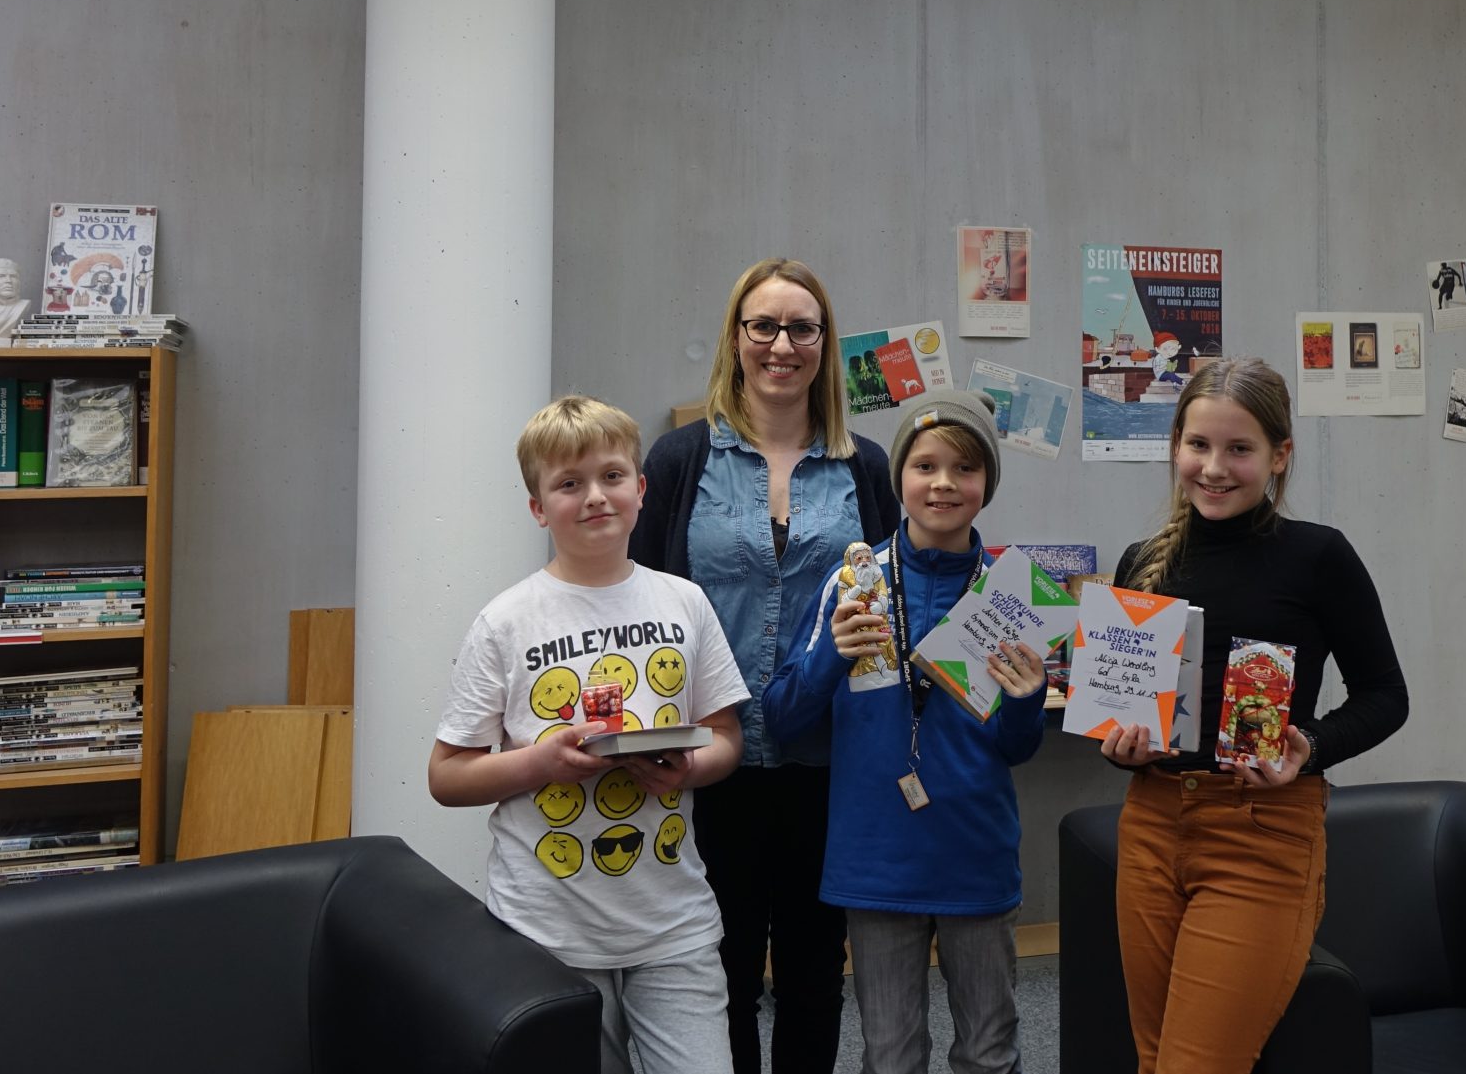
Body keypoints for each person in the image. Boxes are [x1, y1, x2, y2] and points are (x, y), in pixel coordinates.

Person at [1096, 358, 1410, 1073]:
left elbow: (1386, 696)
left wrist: (1311, 746)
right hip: (1150, 822)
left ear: (1280, 455)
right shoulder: (1141, 561)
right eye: (1198, 445)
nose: (1214, 468)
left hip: (1260, 833)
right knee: (1154, 1059)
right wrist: (1119, 746)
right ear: (1176, 446)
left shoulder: (1319, 555)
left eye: (1239, 448)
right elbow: (1119, 716)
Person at [632, 257, 901, 1074]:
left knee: (816, 972)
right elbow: (639, 600)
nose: (782, 345)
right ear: (737, 336)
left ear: (824, 341)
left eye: (802, 328)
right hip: (709, 758)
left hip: (830, 760)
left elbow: (895, 600)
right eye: (764, 325)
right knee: (724, 970)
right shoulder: (679, 460)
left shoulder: (866, 467)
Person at [429, 396, 749, 1074]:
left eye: (611, 476)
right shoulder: (505, 621)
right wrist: (541, 763)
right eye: (569, 483)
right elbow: (447, 775)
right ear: (539, 508)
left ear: (641, 488)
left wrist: (690, 768)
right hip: (546, 929)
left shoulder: (685, 602)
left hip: (674, 922)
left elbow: (725, 736)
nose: (595, 496)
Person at [762, 388, 1047, 1074]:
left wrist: (1028, 700)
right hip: (876, 860)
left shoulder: (1015, 596)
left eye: (964, 467)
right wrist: (831, 656)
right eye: (925, 465)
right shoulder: (852, 585)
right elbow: (782, 718)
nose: (943, 483)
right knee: (889, 1056)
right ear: (899, 478)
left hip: (975, 854)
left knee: (989, 1052)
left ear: (987, 483)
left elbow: (1017, 749)